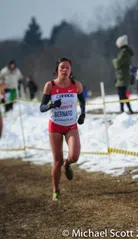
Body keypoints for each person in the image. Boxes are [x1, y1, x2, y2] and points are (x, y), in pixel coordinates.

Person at [39, 57, 86, 201]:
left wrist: (83, 113)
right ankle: (56, 190)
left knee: (75, 156)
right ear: (57, 70)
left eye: (67, 67)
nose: (64, 70)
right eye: (61, 68)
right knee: (57, 161)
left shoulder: (76, 85)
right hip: (55, 126)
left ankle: (68, 163)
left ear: (71, 70)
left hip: (71, 125)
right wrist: (51, 106)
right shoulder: (50, 85)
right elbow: (41, 107)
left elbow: (82, 100)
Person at [113, 35, 134, 114]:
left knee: (122, 94)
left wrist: (114, 61)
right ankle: (123, 109)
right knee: (122, 94)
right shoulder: (126, 52)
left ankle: (127, 109)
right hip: (122, 75)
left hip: (122, 76)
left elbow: (117, 64)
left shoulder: (124, 52)